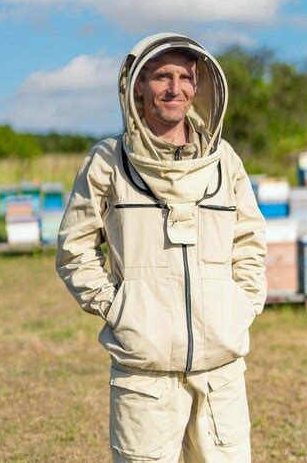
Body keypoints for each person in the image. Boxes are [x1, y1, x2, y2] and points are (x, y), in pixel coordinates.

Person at [56, 33, 267, 463]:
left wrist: (239, 306)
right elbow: (74, 249)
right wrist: (121, 309)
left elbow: (250, 243)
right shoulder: (108, 162)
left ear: (199, 85)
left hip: (220, 373)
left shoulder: (225, 161)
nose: (175, 89)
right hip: (145, 375)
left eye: (186, 77)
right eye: (162, 76)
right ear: (138, 85)